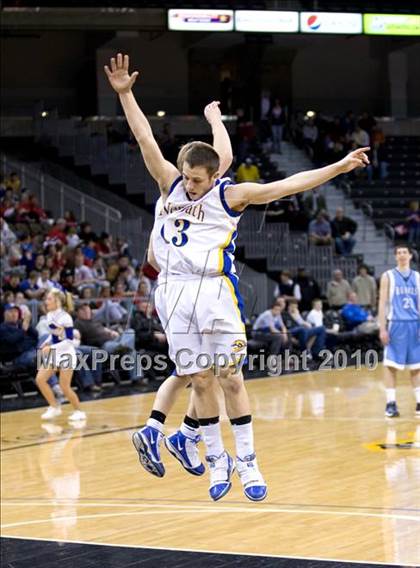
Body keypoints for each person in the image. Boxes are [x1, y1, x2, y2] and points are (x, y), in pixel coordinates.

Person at [105, 52, 369, 502]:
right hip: (171, 290)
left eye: (195, 180)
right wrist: (127, 95)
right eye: (185, 177)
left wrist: (338, 167)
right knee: (201, 380)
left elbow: (290, 185)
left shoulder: (232, 194)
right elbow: (145, 136)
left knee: (230, 377)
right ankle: (215, 461)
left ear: (215, 176)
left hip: (212, 289)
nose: (188, 184)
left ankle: (247, 461)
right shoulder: (171, 183)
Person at [378, 245, 420, 418]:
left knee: (417, 366)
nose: (402, 255)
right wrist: (382, 328)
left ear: (410, 256)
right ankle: (390, 403)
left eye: (405, 252)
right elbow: (382, 303)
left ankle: (419, 403)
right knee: (391, 365)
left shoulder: (417, 277)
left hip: (415, 324)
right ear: (395, 257)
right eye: (399, 253)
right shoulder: (388, 276)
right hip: (396, 324)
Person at [35, 288, 86, 422]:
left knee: (64, 387)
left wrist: (50, 347)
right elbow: (54, 335)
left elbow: (69, 341)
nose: (46, 301)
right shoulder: (50, 315)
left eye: (49, 299)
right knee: (40, 379)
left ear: (57, 301)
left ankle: (79, 411)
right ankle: (54, 406)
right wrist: (46, 343)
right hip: (55, 353)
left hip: (66, 355)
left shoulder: (66, 317)